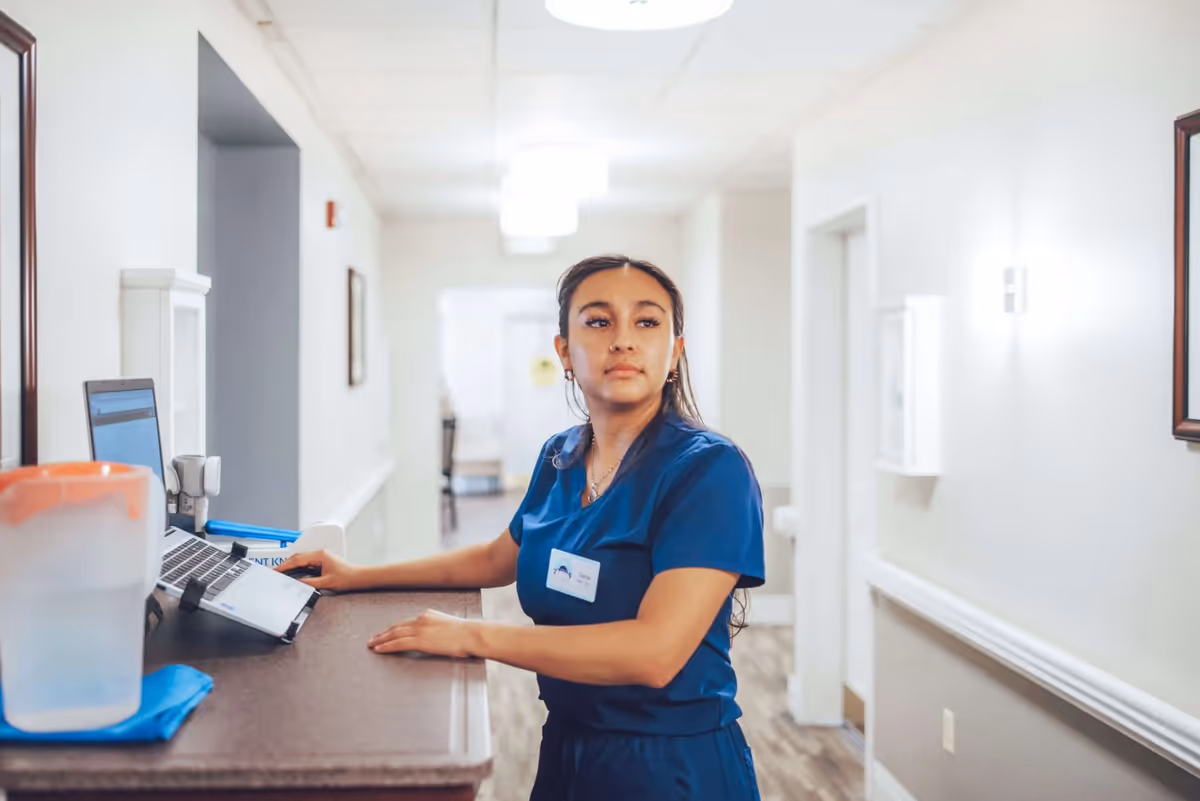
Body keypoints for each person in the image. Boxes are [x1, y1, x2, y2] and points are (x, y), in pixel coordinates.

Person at [277, 254, 765, 801]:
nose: (623, 340)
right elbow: (495, 559)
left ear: (674, 351)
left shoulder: (709, 471)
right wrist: (357, 574)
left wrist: (471, 637)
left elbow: (653, 653)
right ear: (563, 351)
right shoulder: (562, 456)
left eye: (647, 322)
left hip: (672, 766)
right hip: (568, 746)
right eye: (599, 321)